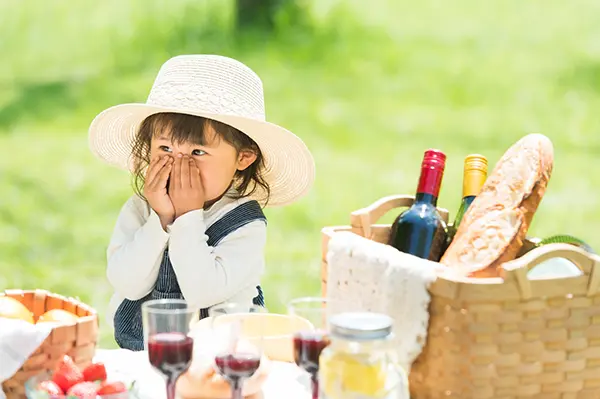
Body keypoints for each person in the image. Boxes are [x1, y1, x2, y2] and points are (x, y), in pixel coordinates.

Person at [88, 54, 315, 350]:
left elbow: (202, 291)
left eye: (198, 152)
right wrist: (161, 220)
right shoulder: (143, 207)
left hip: (224, 352)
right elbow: (128, 284)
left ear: (243, 158)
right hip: (145, 348)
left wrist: (187, 217)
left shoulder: (245, 224)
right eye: (165, 147)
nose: (179, 164)